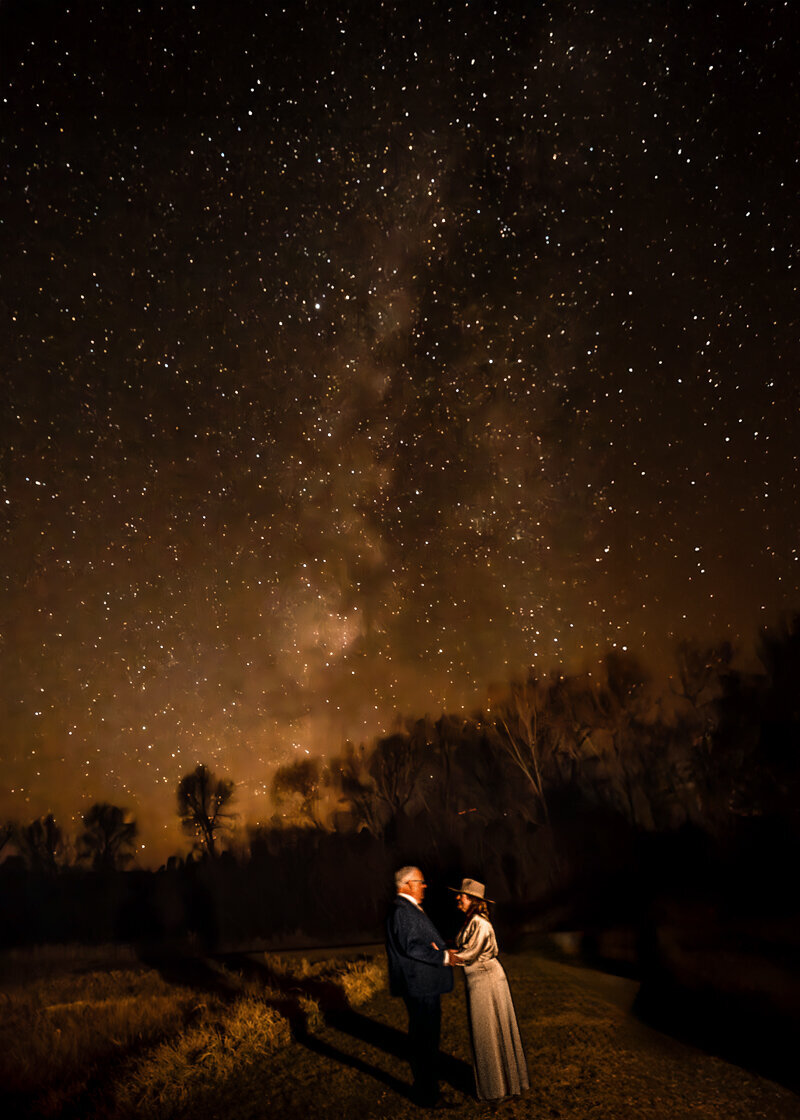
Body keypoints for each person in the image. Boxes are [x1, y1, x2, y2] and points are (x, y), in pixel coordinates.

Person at [386, 865, 459, 1107]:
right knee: (425, 1042)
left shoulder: (408, 909)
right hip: (420, 986)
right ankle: (428, 1095)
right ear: (406, 884)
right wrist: (444, 957)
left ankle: (427, 1090)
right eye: (420, 881)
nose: (424, 885)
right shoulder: (402, 910)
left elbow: (419, 942)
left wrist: (441, 946)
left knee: (425, 1040)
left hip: (422, 985)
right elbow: (412, 947)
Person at [451, 877, 529, 1102]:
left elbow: (470, 954)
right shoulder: (471, 921)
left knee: (488, 1031)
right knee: (486, 1032)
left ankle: (497, 1089)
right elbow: (465, 947)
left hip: (487, 980)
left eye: (462, 896)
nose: (458, 898)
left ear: (473, 900)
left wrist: (444, 957)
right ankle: (498, 1084)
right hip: (479, 980)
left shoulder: (481, 924)